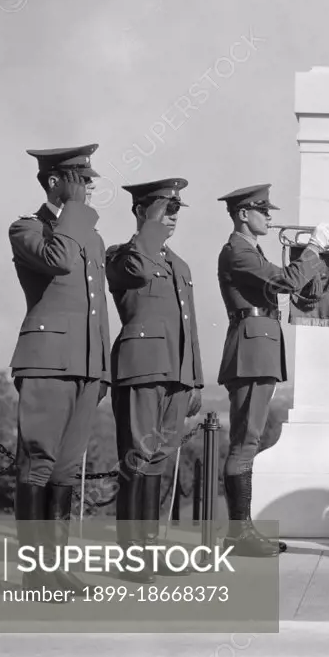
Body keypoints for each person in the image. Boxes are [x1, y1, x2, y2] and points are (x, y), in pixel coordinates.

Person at [8, 144, 111, 594]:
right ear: (54, 181)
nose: (89, 186)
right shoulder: (27, 227)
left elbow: (99, 307)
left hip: (86, 365)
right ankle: (35, 572)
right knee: (38, 466)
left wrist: (102, 367)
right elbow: (59, 261)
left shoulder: (87, 234)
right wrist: (72, 210)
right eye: (80, 178)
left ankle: (56, 566)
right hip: (46, 361)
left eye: (89, 179)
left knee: (66, 469)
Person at [216, 184, 329, 556]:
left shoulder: (250, 249)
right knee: (245, 443)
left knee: (249, 442)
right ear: (243, 214)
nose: (269, 216)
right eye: (262, 210)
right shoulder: (237, 251)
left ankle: (242, 531)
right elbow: (285, 281)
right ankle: (238, 534)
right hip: (251, 351)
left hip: (260, 348)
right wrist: (315, 249)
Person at [105, 178, 203, 583]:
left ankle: (148, 546)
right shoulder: (121, 255)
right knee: (138, 457)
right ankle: (132, 555)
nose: (173, 217)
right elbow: (137, 270)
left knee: (159, 460)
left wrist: (194, 379)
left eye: (176, 210)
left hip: (175, 373)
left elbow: (189, 326)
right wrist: (150, 229)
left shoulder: (179, 264)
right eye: (165, 209)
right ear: (141, 211)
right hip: (141, 368)